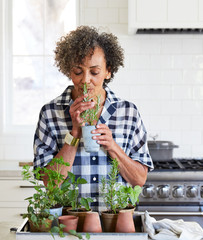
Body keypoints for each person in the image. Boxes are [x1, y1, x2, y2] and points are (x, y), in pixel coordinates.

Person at [33, 26, 153, 211]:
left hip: (115, 224)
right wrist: (74, 133)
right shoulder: (51, 113)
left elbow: (139, 179)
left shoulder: (128, 113)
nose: (85, 80)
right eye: (78, 72)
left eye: (94, 72)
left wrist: (112, 146)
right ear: (68, 71)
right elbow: (49, 182)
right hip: (70, 226)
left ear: (108, 71)